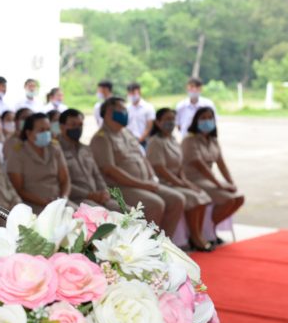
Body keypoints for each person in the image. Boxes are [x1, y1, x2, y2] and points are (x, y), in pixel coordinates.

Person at [90, 98, 184, 235]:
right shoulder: (101, 138)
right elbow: (110, 170)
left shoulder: (126, 133)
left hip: (143, 183)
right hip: (120, 187)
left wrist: (152, 178)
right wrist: (143, 185)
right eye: (122, 110)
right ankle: (148, 242)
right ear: (109, 112)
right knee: (155, 204)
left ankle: (165, 241)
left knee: (177, 199)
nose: (125, 113)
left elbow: (142, 157)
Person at [146, 109, 213, 251]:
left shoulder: (173, 140)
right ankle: (195, 238)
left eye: (172, 119)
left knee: (202, 195)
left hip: (177, 182)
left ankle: (197, 235)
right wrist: (181, 184)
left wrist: (187, 183)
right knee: (193, 198)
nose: (170, 122)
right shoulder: (155, 142)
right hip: (164, 182)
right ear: (157, 122)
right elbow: (160, 169)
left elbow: (180, 166)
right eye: (167, 119)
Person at [182, 106, 244, 231]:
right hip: (193, 180)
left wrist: (231, 182)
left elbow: (221, 164)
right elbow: (200, 166)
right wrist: (219, 185)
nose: (207, 121)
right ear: (196, 121)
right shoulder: (189, 140)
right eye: (203, 118)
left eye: (210, 118)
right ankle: (207, 231)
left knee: (239, 198)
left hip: (209, 180)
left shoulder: (213, 140)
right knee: (228, 200)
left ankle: (210, 228)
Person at [5, 113, 70, 214]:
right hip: (33, 205)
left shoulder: (54, 148)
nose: (46, 133)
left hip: (58, 202)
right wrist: (44, 202)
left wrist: (64, 198)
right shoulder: (18, 152)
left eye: (48, 130)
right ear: (28, 133)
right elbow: (18, 189)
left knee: (81, 218)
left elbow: (65, 179)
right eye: (41, 130)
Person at [58, 110, 117, 210]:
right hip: (78, 199)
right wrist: (89, 195)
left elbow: (96, 175)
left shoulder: (85, 148)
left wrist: (104, 191)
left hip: (99, 197)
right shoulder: (57, 151)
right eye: (73, 125)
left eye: (80, 125)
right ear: (62, 127)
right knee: (105, 215)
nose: (78, 128)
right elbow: (61, 182)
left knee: (128, 212)